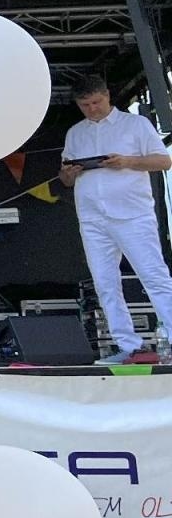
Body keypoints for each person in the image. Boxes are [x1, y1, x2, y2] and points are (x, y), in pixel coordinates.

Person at [58, 74, 172, 365]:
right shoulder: (75, 133)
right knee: (105, 283)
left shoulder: (136, 124)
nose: (92, 109)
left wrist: (127, 161)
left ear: (107, 96)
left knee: (154, 276)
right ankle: (129, 346)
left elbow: (164, 160)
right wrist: (68, 174)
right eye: (85, 105)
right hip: (92, 217)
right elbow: (65, 178)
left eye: (96, 102)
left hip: (133, 214)